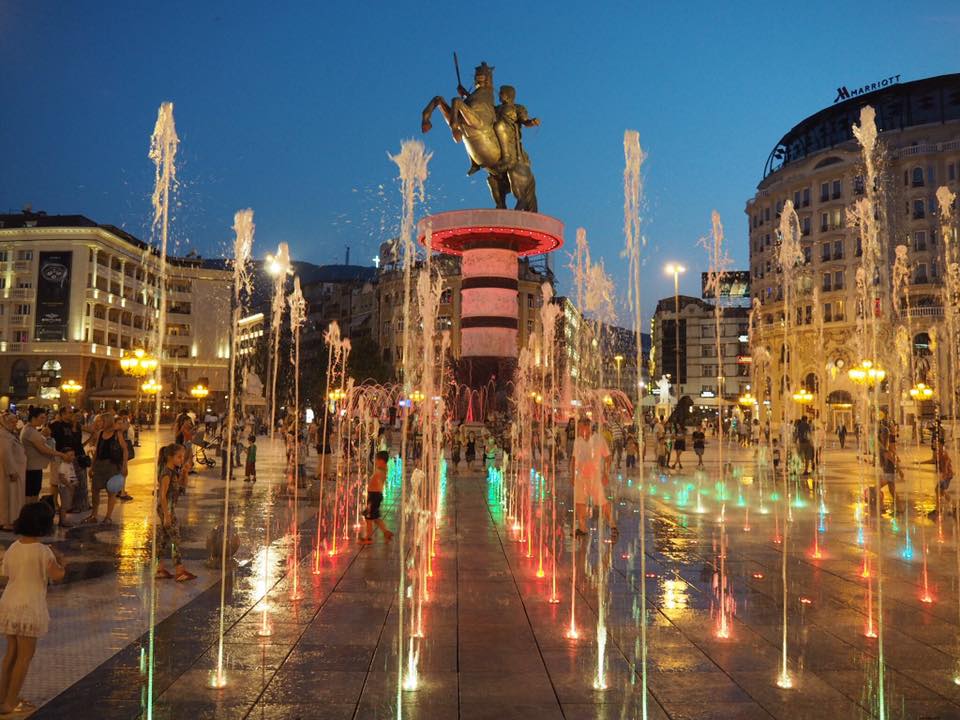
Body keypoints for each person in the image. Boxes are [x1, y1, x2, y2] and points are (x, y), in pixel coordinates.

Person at [0, 502, 66, 714]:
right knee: (24, 657)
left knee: (11, 653)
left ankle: (3, 696)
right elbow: (57, 575)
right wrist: (62, 563)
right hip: (29, 606)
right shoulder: (43, 551)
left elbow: (6, 574)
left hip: (10, 603)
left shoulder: (13, 547)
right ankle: (11, 702)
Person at [154, 444, 196, 582]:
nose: (181, 459)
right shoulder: (166, 473)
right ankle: (179, 570)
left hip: (169, 509)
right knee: (175, 538)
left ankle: (159, 569)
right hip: (166, 509)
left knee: (164, 539)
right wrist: (166, 515)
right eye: (179, 456)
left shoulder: (174, 471)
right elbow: (162, 496)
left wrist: (185, 472)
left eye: (182, 456)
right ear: (170, 457)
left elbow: (182, 487)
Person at [571, 418, 616, 539]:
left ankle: (612, 524)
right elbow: (574, 459)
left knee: (601, 502)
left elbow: (608, 457)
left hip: (594, 477)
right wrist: (572, 475)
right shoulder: (578, 441)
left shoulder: (598, 439)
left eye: (580, 427)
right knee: (579, 503)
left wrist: (606, 473)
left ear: (588, 427)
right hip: (580, 477)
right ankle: (582, 528)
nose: (578, 430)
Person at [83, 411, 126, 526]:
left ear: (107, 421)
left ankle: (108, 516)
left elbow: (125, 450)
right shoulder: (101, 433)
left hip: (112, 465)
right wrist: (92, 466)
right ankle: (94, 515)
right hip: (100, 465)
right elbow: (97, 451)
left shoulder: (117, 434)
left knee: (111, 491)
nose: (99, 423)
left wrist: (124, 466)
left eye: (101, 421)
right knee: (95, 490)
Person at [20, 409, 64, 505]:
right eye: (41, 417)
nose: (43, 420)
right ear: (33, 418)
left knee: (33, 492)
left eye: (45, 417)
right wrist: (60, 454)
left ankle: (31, 514)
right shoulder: (30, 431)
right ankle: (31, 515)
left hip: (33, 466)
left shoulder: (30, 429)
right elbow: (43, 448)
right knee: (32, 494)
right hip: (32, 467)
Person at [359, 451, 393, 544]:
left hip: (374, 496)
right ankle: (386, 532)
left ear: (382, 461)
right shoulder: (382, 469)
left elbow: (377, 479)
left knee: (368, 517)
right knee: (376, 517)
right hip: (375, 495)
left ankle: (368, 538)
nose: (375, 461)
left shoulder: (380, 471)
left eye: (377, 459)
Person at [0, 413, 26, 533]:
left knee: (12, 496)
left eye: (15, 421)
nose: (14, 423)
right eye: (12, 421)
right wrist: (11, 471)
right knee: (9, 497)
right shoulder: (4, 435)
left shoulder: (10, 434)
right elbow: (6, 454)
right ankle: (7, 522)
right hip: (10, 472)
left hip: (16, 470)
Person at [53, 450, 78, 528]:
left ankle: (63, 520)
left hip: (70, 487)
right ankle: (63, 521)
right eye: (70, 455)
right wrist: (69, 485)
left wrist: (75, 481)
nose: (73, 457)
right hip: (65, 487)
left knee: (67, 504)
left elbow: (71, 474)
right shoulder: (63, 465)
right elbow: (61, 477)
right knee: (64, 505)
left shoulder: (70, 464)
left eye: (73, 455)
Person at [115, 410, 134, 502]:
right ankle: (121, 492)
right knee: (123, 472)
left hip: (120, 452)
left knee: (120, 471)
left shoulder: (119, 428)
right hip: (121, 452)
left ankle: (120, 490)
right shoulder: (121, 430)